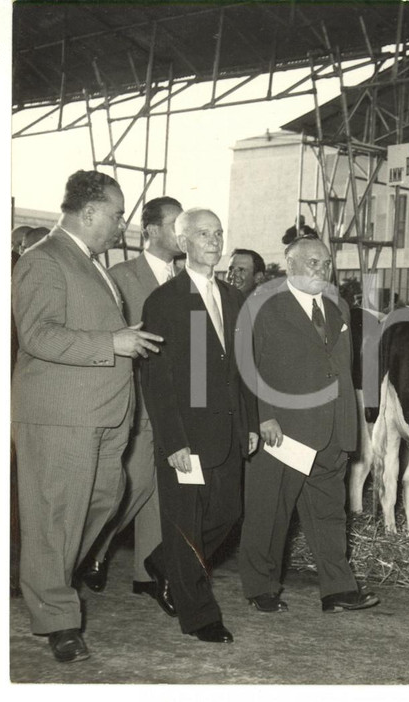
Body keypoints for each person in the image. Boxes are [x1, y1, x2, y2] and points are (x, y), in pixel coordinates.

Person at [11, 170, 162, 663]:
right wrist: (111, 342)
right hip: (62, 413)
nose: (122, 224)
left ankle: (44, 579)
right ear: (90, 211)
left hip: (104, 413)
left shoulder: (91, 263)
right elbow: (38, 334)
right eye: (118, 214)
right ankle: (58, 618)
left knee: (105, 499)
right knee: (58, 516)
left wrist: (121, 337)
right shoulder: (44, 260)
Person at [237, 237, 378, 614]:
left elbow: (341, 368)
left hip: (333, 429)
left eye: (326, 263)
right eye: (312, 262)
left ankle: (337, 589)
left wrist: (350, 423)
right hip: (283, 428)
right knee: (270, 512)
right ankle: (261, 586)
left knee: (330, 513)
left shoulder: (339, 307)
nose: (321, 270)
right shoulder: (262, 307)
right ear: (289, 263)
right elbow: (247, 366)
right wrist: (263, 415)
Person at [139, 208, 258, 644]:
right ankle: (199, 615)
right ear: (182, 240)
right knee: (187, 523)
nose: (213, 240)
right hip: (186, 437)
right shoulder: (166, 301)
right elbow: (159, 379)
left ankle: (164, 561)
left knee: (229, 513)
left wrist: (248, 422)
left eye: (218, 233)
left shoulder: (234, 298)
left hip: (227, 430)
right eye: (203, 233)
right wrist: (173, 441)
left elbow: (241, 368)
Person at [78, 196, 183, 618]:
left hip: (175, 405)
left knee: (163, 490)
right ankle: (90, 551)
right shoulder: (120, 277)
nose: (183, 233)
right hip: (137, 399)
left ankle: (146, 574)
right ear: (152, 230)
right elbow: (114, 341)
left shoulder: (187, 280)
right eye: (177, 224)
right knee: (134, 484)